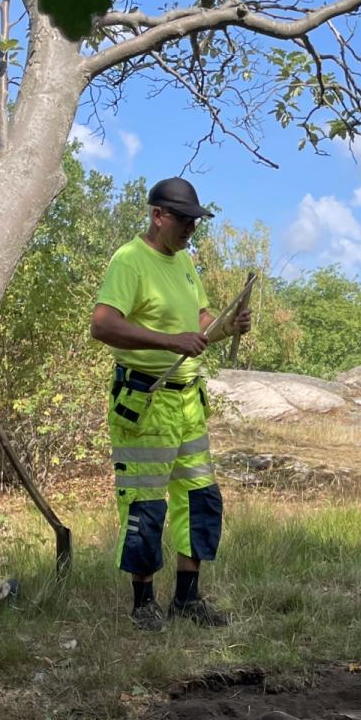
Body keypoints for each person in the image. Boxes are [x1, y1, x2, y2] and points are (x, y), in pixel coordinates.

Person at [90, 176, 251, 631]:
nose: (190, 230)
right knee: (145, 504)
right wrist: (168, 340)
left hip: (188, 401)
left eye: (195, 222)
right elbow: (102, 325)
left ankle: (187, 598)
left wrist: (227, 324)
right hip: (145, 399)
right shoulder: (130, 260)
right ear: (158, 215)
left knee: (199, 497)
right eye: (183, 221)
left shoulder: (183, 262)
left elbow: (201, 321)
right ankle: (143, 604)